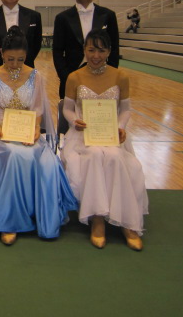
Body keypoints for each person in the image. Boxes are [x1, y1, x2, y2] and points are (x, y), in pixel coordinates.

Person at [0, 26, 77, 245]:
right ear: (1, 53)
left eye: (20, 60)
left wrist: (35, 129)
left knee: (45, 161)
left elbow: (38, 110)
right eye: (10, 59)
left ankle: (40, 217)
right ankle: (9, 221)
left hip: (27, 130)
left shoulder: (35, 76)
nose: (15, 64)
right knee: (14, 154)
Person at [60, 29, 148, 251]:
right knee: (93, 156)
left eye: (101, 50)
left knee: (115, 156)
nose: (96, 56)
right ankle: (97, 218)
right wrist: (74, 121)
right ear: (84, 50)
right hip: (83, 135)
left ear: (109, 51)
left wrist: (120, 127)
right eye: (91, 50)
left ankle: (127, 221)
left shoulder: (120, 76)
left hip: (110, 134)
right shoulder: (74, 76)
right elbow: (67, 108)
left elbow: (125, 109)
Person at [53, 0, 120, 99]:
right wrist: (66, 77)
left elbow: (115, 48)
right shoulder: (62, 18)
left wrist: (109, 75)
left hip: (103, 77)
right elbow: (57, 51)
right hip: (72, 77)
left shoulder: (108, 15)